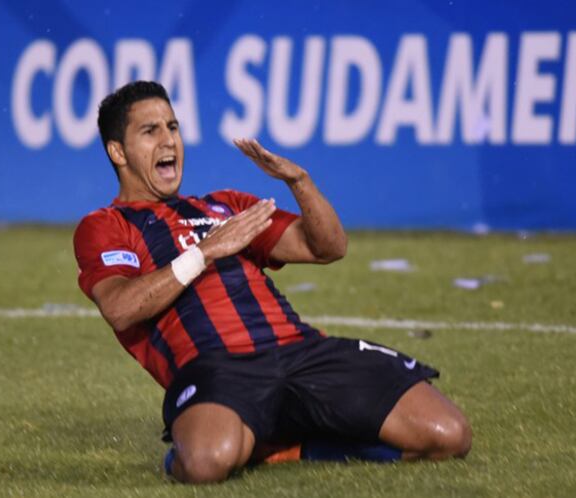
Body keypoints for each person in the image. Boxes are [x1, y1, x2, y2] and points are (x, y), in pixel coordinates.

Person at [73, 81, 471, 484]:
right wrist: (204, 252)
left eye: (173, 127)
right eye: (150, 130)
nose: (169, 141)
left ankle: (289, 446)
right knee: (206, 463)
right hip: (217, 368)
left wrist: (299, 181)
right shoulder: (105, 226)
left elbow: (328, 247)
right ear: (118, 152)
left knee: (449, 434)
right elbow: (120, 309)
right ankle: (257, 435)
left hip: (300, 351)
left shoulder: (225, 205)